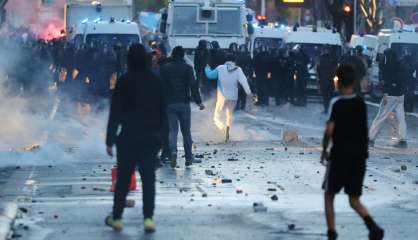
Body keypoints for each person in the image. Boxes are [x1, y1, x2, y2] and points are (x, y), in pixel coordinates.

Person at [105, 43, 165, 233]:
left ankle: (117, 217)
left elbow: (114, 112)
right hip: (150, 137)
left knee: (123, 179)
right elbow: (162, 112)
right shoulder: (155, 81)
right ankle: (148, 218)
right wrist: (163, 138)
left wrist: (110, 139)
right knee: (148, 179)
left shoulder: (124, 81)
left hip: (128, 137)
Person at [321, 64, 384, 240]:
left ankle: (331, 232)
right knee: (354, 199)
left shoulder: (337, 103)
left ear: (338, 81)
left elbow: (329, 130)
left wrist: (324, 149)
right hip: (358, 157)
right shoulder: (360, 103)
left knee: (329, 194)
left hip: (339, 156)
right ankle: (373, 226)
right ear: (354, 81)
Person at [160, 46, 205, 168]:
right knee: (186, 132)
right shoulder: (188, 68)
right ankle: (189, 157)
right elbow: (193, 85)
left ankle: (173, 151)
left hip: (170, 104)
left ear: (173, 55)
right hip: (184, 104)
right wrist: (198, 101)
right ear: (183, 55)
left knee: (173, 130)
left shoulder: (165, 69)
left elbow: (161, 87)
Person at [205, 53, 252, 141]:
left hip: (222, 97)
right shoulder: (238, 69)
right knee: (229, 115)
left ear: (226, 60)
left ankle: (222, 128)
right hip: (234, 97)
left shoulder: (220, 68)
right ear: (234, 61)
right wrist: (249, 93)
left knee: (216, 117)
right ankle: (227, 130)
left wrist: (207, 68)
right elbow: (244, 82)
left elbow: (210, 75)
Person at [369, 48, 407, 148]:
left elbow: (387, 81)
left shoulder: (388, 66)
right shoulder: (400, 65)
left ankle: (370, 138)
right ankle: (402, 140)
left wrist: (385, 93)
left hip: (390, 95)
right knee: (401, 118)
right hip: (400, 95)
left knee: (380, 117)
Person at [317, 46, 338, 113]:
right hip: (330, 79)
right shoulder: (333, 58)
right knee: (330, 95)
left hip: (325, 79)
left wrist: (320, 78)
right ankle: (329, 108)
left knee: (326, 95)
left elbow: (318, 69)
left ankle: (327, 108)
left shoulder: (322, 58)